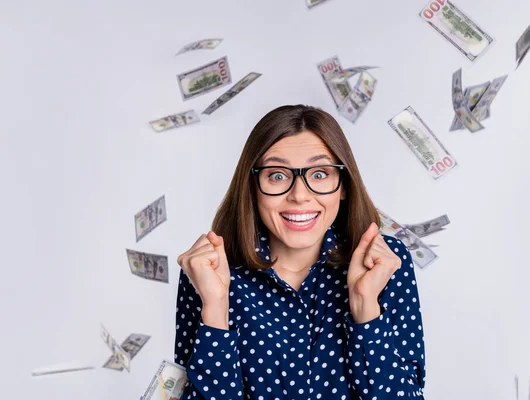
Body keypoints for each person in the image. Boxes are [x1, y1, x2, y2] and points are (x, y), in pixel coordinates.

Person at [175, 105, 426, 399]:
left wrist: (365, 307)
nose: (299, 194)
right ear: (253, 186)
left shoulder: (385, 263)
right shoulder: (210, 272)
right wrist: (215, 308)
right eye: (277, 176)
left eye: (319, 174)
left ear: (343, 185)